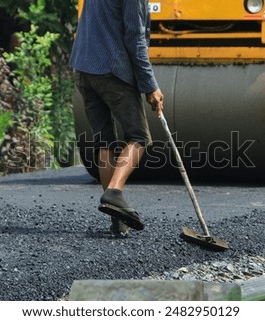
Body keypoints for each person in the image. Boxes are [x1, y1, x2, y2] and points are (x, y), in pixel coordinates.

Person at [70, 0, 164, 236]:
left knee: (105, 141)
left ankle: (116, 219)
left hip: (84, 68)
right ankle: (114, 191)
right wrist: (150, 86)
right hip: (111, 69)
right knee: (139, 137)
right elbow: (136, 40)